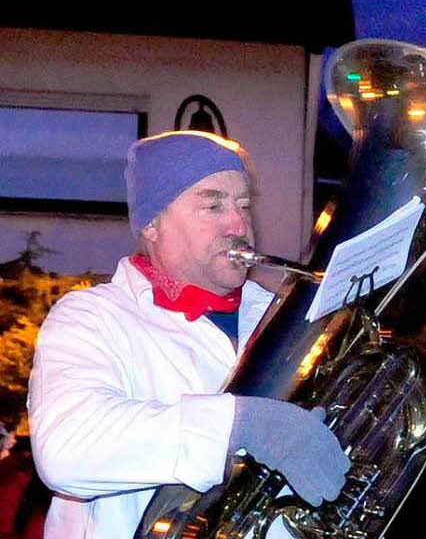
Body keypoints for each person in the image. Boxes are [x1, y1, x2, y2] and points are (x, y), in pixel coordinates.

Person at [27, 130, 351, 538]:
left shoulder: (282, 321)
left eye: (244, 205)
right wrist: (240, 425)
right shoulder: (92, 317)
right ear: (152, 224)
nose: (238, 224)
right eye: (212, 205)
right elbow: (67, 450)